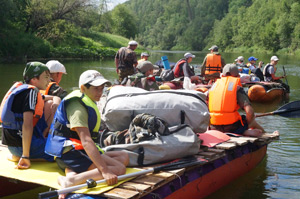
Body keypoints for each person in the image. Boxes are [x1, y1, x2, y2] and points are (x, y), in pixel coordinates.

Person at [45, 70, 129, 198]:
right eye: (96, 89)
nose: (100, 93)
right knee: (119, 169)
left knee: (123, 157)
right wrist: (104, 171)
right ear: (83, 88)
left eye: (102, 89)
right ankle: (70, 181)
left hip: (79, 149)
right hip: (68, 153)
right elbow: (86, 140)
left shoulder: (87, 99)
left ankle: (72, 173)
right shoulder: (77, 107)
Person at [0, 62, 61, 169]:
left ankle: (18, 155)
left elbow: (50, 98)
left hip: (12, 146)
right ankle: (25, 157)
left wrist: (56, 101)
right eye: (46, 77)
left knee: (50, 104)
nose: (49, 81)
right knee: (66, 147)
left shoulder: (23, 90)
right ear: (34, 79)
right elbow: (27, 125)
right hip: (23, 148)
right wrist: (25, 156)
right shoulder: (31, 92)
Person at [208, 64, 267, 137]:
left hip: (214, 127)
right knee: (251, 120)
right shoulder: (237, 88)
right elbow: (250, 112)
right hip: (231, 128)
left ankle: (244, 131)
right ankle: (263, 134)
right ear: (238, 76)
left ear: (222, 76)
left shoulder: (213, 87)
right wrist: (250, 122)